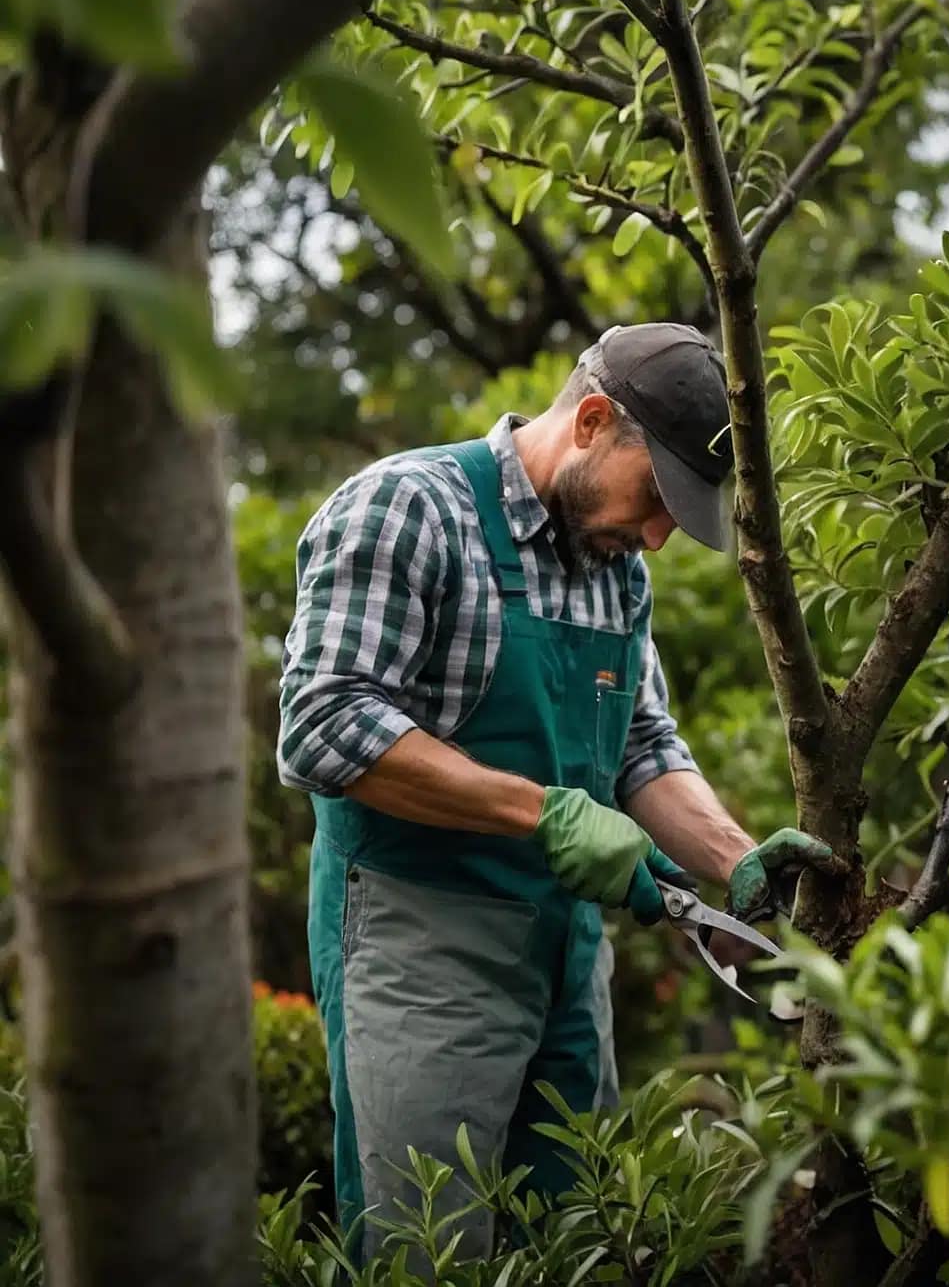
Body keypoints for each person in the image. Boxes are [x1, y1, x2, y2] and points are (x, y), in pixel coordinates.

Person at [276, 322, 837, 1264]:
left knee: (573, 1240)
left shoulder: (615, 567)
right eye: (658, 498)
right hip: (421, 949)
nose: (658, 535)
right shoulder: (407, 509)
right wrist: (547, 813)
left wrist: (735, 863)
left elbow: (641, 746)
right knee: (431, 1250)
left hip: (567, 955)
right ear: (589, 421)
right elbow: (323, 723)